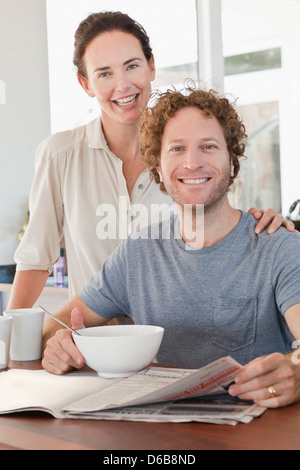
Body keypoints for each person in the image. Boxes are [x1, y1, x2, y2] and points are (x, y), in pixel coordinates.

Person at [8, 11, 292, 310]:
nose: (123, 85)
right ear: (86, 84)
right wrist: (12, 345)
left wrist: (265, 233)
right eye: (104, 73)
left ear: (151, 66)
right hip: (92, 346)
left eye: (132, 66)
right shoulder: (60, 154)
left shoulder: (188, 162)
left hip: (175, 343)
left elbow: (223, 235)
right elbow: (34, 259)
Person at [42, 84, 300, 409]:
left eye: (208, 146)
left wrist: (295, 370)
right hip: (154, 436)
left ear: (233, 163)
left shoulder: (280, 248)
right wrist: (58, 342)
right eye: (177, 149)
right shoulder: (138, 253)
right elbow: (57, 323)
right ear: (159, 171)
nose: (193, 162)